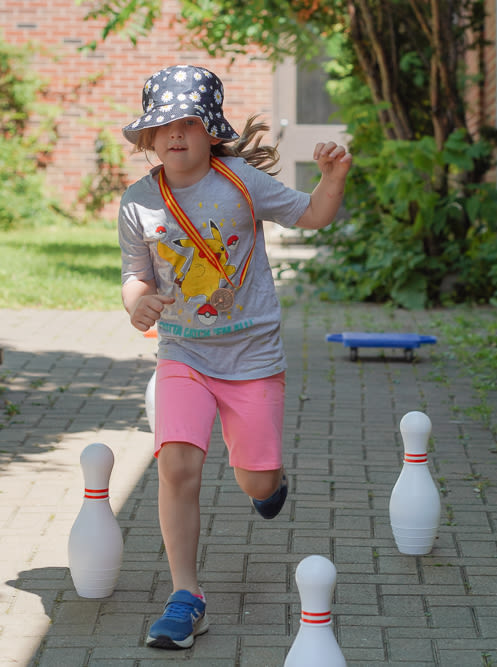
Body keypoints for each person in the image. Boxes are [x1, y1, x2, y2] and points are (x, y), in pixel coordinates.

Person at [117, 64, 352, 650]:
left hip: (252, 356)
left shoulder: (243, 182)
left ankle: (270, 484)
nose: (175, 135)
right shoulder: (139, 202)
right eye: (163, 125)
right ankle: (185, 595)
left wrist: (333, 176)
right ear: (148, 137)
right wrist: (139, 303)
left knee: (257, 480)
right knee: (176, 466)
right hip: (183, 353)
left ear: (210, 131)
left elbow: (315, 215)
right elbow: (133, 276)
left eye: (188, 124)